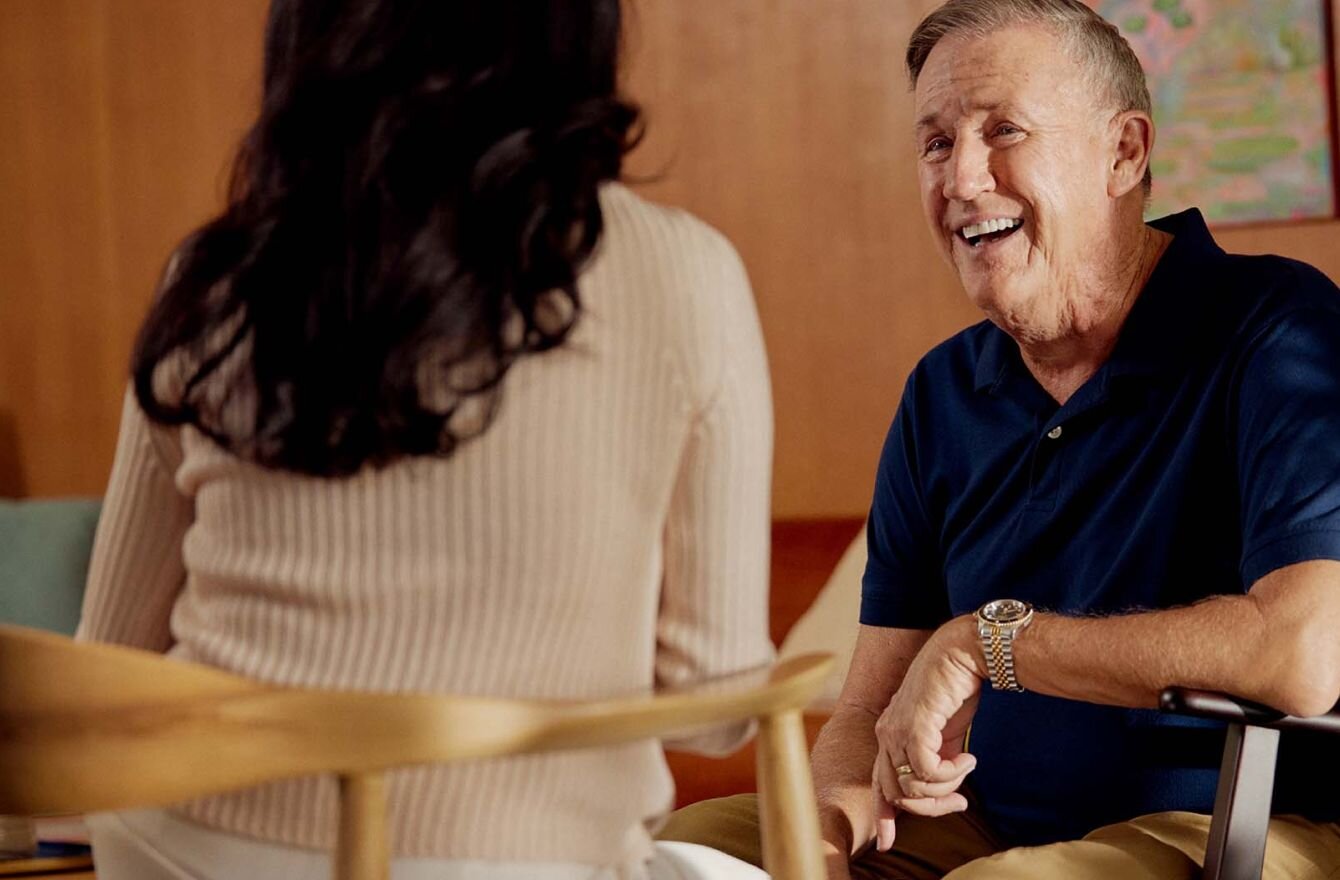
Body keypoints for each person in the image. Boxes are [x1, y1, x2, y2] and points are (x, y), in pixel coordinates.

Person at [75, 2, 776, 878]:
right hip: (519, 859)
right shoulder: (687, 274)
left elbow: (107, 667)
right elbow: (714, 706)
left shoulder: (214, 276)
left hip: (184, 849)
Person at [659, 1, 1340, 877]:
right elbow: (865, 711)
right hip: (988, 825)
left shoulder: (1280, 330)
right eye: (937, 143)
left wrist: (990, 641)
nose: (963, 179)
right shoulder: (942, 392)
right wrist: (822, 846)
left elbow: (1304, 653)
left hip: (1238, 822)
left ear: (1124, 153)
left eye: (1003, 130)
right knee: (687, 854)